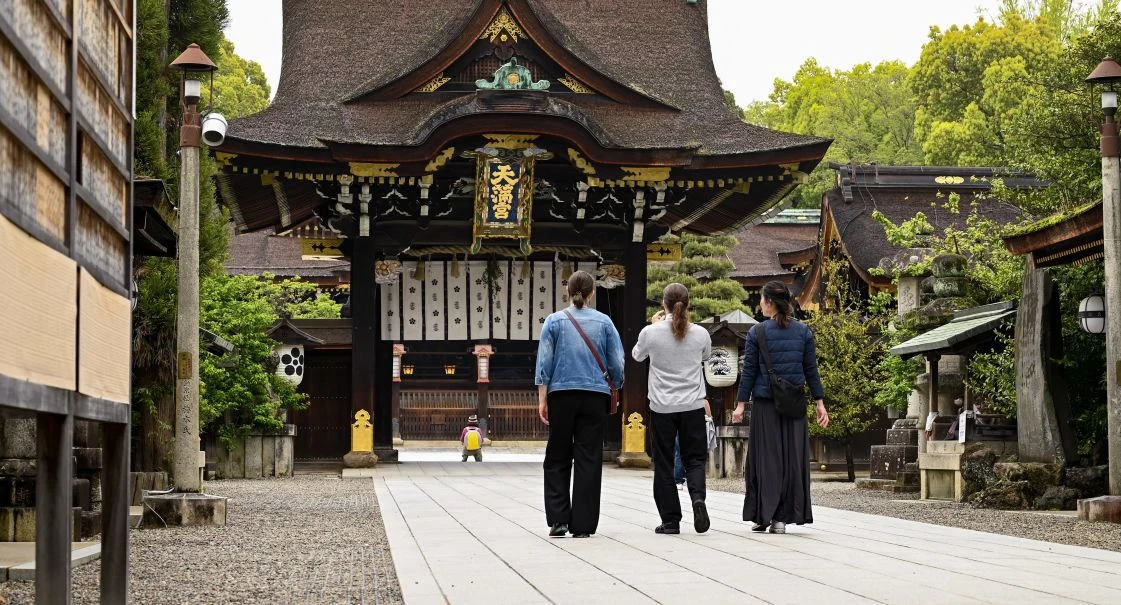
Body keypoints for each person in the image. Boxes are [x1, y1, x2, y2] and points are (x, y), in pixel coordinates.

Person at [732, 281, 829, 535]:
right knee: (791, 461)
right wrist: (820, 402)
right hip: (795, 404)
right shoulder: (803, 332)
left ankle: (765, 514)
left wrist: (741, 405)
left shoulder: (758, 333)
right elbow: (811, 370)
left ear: (770, 303)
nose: (760, 304)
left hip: (766, 405)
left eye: (762, 300)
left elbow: (749, 372)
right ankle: (782, 519)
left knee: (767, 461)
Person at [535, 270, 624, 539]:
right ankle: (583, 524)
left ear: (568, 291)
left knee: (558, 455)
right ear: (592, 293)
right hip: (594, 395)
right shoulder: (605, 322)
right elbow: (617, 363)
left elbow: (544, 362)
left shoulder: (554, 321)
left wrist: (542, 397)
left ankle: (559, 519)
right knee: (588, 456)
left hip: (561, 394)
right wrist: (615, 385)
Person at [632, 283, 712, 535]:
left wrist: (654, 324)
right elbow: (706, 357)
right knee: (695, 459)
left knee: (664, 462)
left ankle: (670, 520)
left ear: (663, 304)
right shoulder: (700, 333)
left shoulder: (651, 332)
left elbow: (637, 355)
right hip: (692, 404)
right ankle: (698, 500)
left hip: (662, 406)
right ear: (688, 305)